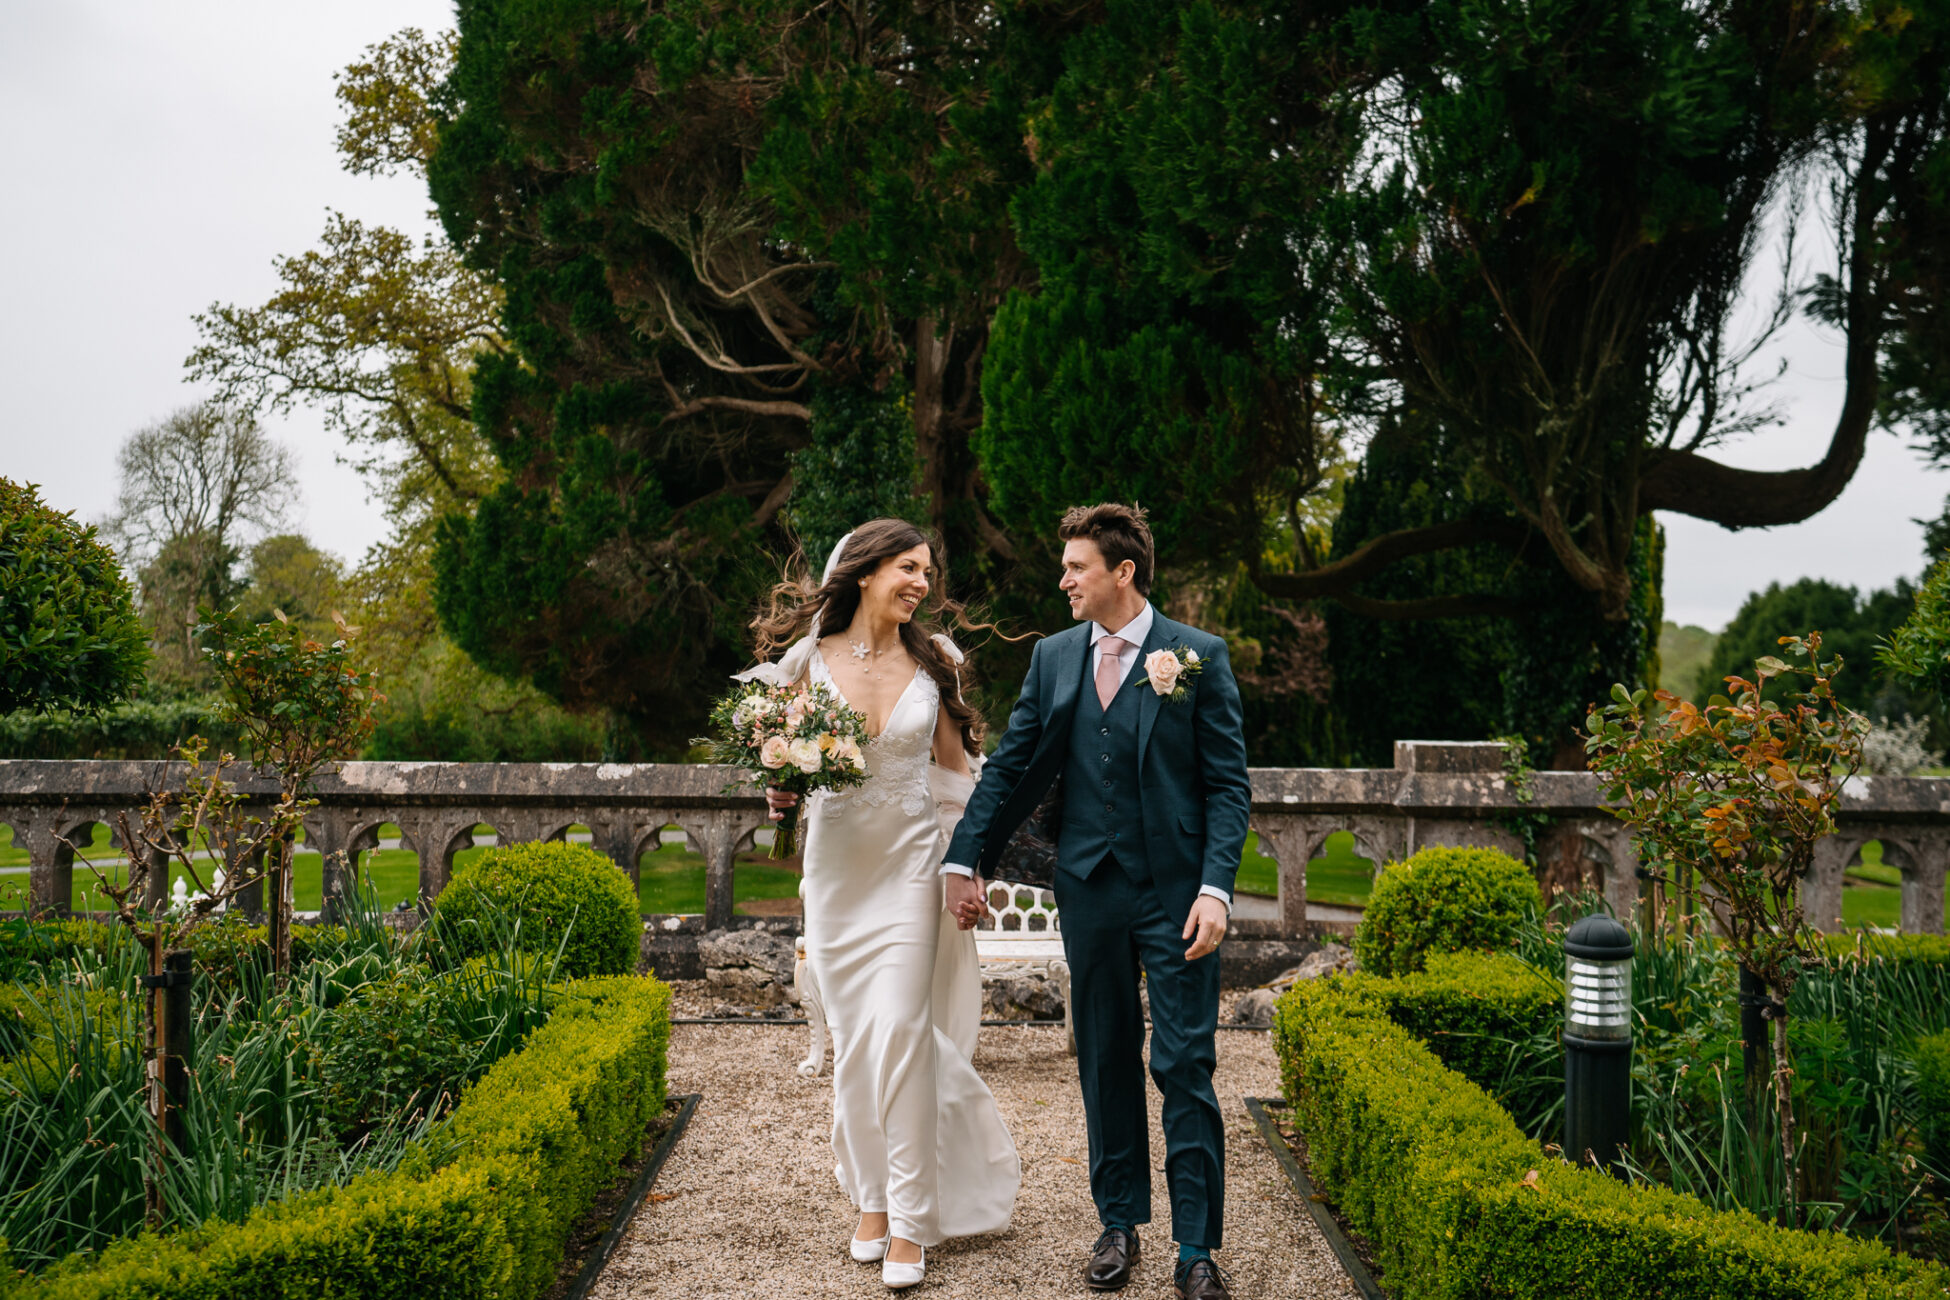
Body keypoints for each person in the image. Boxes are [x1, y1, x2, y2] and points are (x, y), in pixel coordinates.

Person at [940, 503, 1251, 1300]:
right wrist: (963, 855)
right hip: (1089, 889)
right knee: (1104, 1056)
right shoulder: (1053, 658)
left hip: (1179, 895)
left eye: (1077, 567)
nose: (1063, 579)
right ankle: (1118, 1224)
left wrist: (1217, 888)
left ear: (1123, 572)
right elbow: (1008, 767)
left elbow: (1227, 786)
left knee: (1184, 1063)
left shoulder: (1197, 656)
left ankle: (1197, 1250)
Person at [741, 518, 1019, 1290]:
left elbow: (959, 781)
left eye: (927, 572)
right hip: (834, 876)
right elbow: (783, 770)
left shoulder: (936, 665)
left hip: (908, 871)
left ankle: (911, 1219)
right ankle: (868, 1200)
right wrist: (779, 789)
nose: (922, 584)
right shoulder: (804, 664)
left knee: (898, 1028)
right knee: (857, 1047)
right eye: (908, 567)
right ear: (864, 572)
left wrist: (969, 870)